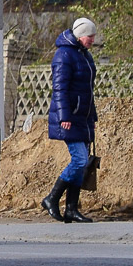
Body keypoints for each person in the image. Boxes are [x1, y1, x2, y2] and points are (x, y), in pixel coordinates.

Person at [41, 17, 99, 223]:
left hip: (82, 117)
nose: (93, 39)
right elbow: (60, 89)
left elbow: (88, 91)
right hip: (69, 117)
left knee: (82, 164)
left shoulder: (84, 55)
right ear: (80, 35)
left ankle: (71, 209)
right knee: (80, 160)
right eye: (90, 36)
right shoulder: (64, 55)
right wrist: (65, 116)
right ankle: (52, 198)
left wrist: (92, 117)